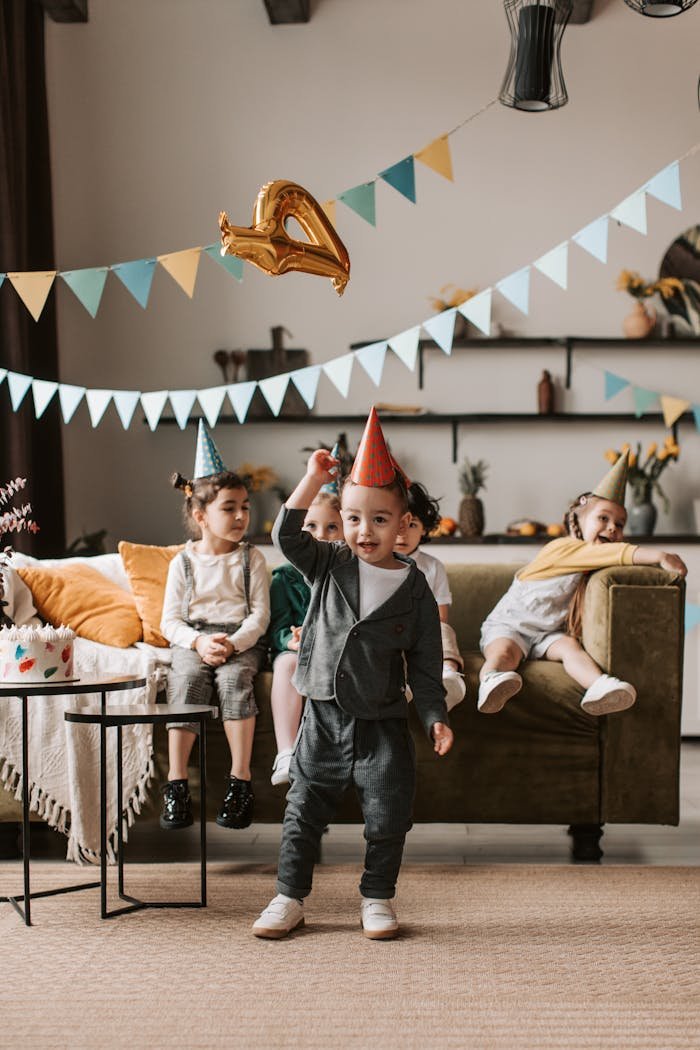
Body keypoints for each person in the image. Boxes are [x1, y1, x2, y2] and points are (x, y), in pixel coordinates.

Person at [252, 407, 453, 942]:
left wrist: (434, 716)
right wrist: (314, 479)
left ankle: (377, 897)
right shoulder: (329, 563)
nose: (365, 530)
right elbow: (287, 538)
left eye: (380, 520)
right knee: (302, 811)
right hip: (321, 714)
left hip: (383, 720)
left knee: (388, 816)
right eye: (354, 518)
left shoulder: (416, 591)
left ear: (404, 524)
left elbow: (428, 666)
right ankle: (288, 897)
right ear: (342, 518)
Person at [478, 450, 687, 716]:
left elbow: (613, 559)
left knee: (570, 648)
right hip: (509, 626)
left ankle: (600, 686)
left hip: (545, 635)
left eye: (620, 524)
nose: (613, 528)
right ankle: (491, 679)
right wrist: (661, 556)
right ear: (577, 520)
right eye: (603, 518)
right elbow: (616, 554)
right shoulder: (563, 548)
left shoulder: (592, 565)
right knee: (505, 653)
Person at [159, 421, 270, 831]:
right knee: (186, 682)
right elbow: (169, 620)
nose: (241, 515)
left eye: (244, 506)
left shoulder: (252, 559)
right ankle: (176, 782)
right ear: (200, 515)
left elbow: (260, 615)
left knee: (234, 683)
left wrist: (234, 644)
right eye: (229, 508)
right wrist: (199, 643)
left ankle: (240, 781)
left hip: (241, 640)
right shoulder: (182, 562)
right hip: (195, 639)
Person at [269, 484, 344, 786]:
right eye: (310, 526)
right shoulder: (284, 577)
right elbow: (276, 630)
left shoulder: (350, 572)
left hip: (336, 650)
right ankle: (286, 752)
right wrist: (291, 640)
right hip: (298, 653)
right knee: (287, 663)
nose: (321, 535)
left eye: (331, 527)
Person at [394, 481, 466, 711]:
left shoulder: (433, 567)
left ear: (424, 528)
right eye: (395, 524)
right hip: (391, 631)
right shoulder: (378, 563)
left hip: (425, 631)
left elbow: (441, 615)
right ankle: (398, 686)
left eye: (411, 524)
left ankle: (449, 676)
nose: (402, 533)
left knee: (444, 630)